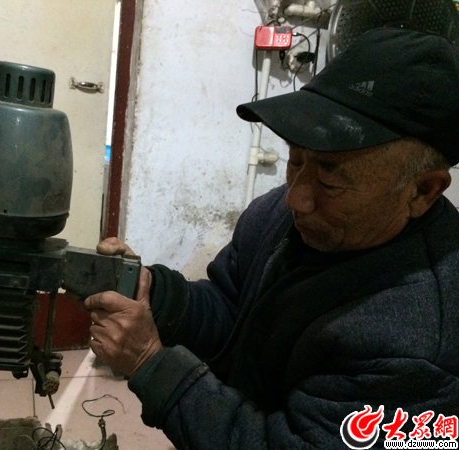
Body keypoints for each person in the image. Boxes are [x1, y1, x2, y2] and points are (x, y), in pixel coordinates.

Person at [83, 27, 459, 449]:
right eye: (295, 160)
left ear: (423, 191)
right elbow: (232, 306)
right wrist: (153, 292)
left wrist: (150, 363)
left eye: (331, 180)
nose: (295, 198)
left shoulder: (418, 345)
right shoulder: (280, 214)